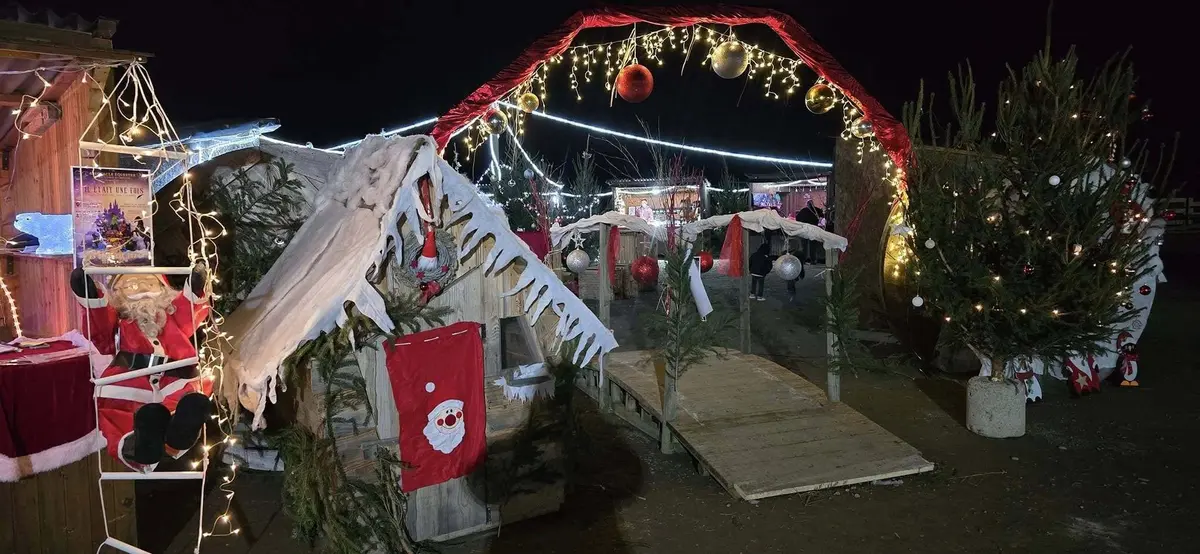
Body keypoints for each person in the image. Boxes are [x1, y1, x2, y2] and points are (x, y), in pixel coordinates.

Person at [71, 265, 213, 472]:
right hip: (130, 378)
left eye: (149, 282)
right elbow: (99, 328)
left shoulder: (172, 316)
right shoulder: (119, 321)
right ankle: (138, 445)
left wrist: (196, 287)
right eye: (130, 285)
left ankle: (177, 436)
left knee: (184, 402)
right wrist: (91, 296)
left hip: (173, 378)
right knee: (119, 412)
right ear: (117, 295)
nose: (141, 288)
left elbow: (189, 309)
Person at [796, 197, 824, 263]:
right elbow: (822, 216)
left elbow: (797, 219)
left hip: (805, 229)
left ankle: (803, 259)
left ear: (807, 204)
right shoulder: (817, 210)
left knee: (804, 246)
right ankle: (813, 260)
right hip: (814, 229)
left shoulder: (803, 210)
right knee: (813, 246)